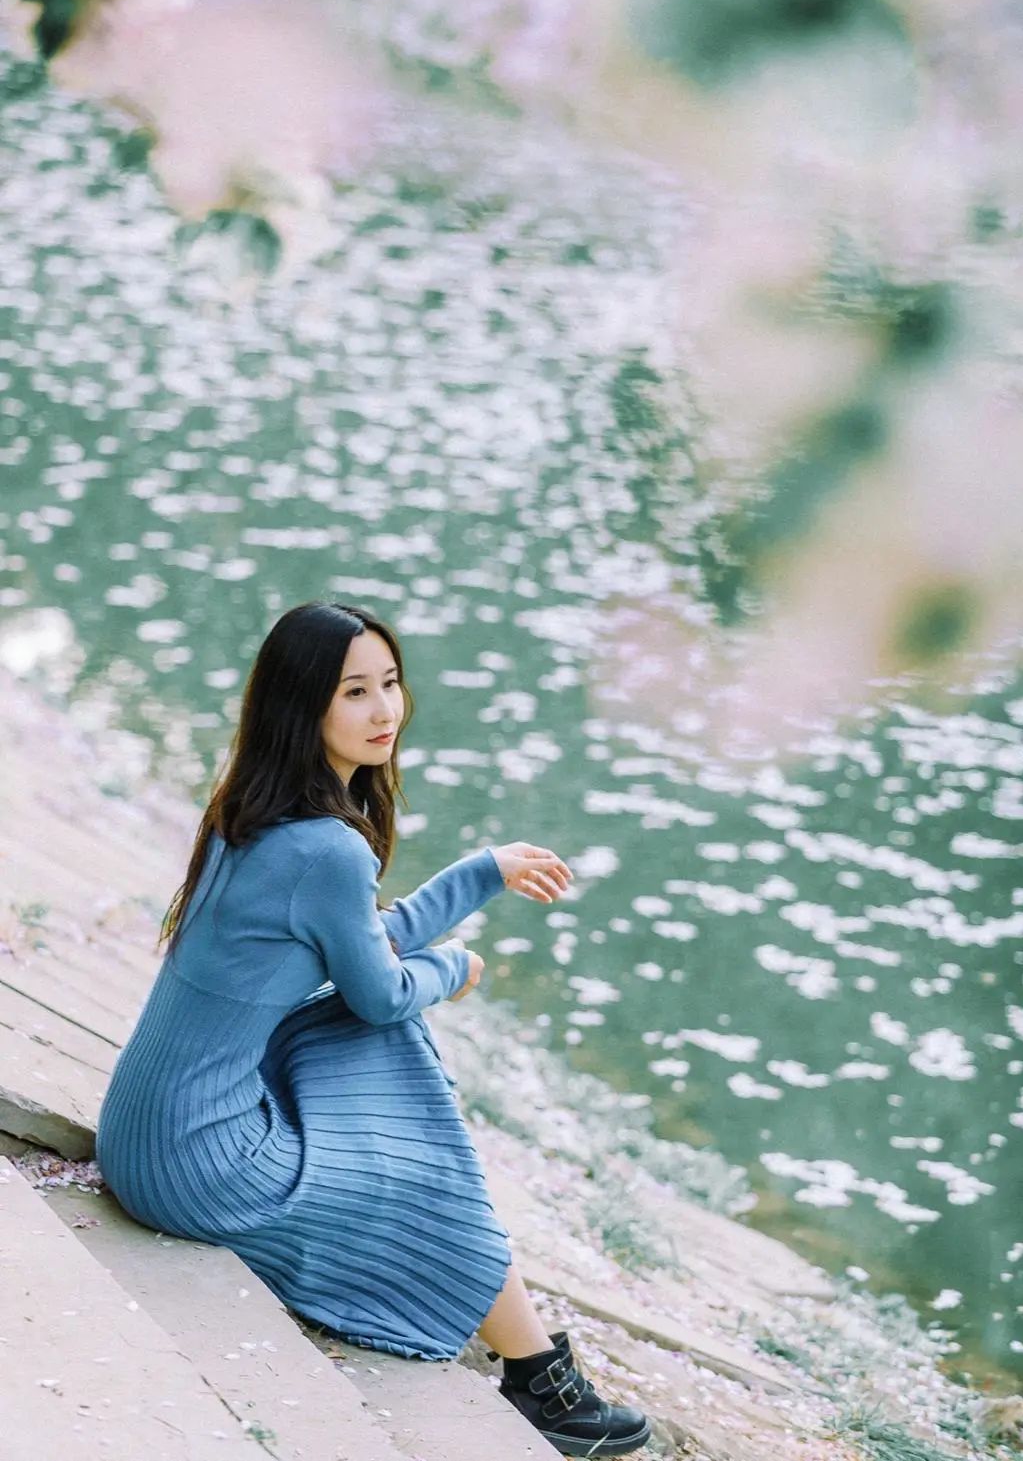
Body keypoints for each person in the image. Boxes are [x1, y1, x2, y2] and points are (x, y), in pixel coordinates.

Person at [96, 600, 651, 1457]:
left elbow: (359, 944)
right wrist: (453, 969)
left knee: (378, 1049)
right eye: (355, 691)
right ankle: (542, 1379)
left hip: (139, 1129)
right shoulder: (326, 847)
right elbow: (384, 991)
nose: (385, 710)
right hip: (196, 1166)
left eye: (390, 683)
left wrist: (481, 873)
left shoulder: (246, 810)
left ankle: (538, 1365)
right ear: (304, 705)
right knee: (415, 1130)